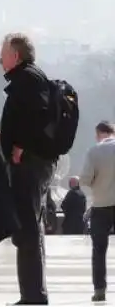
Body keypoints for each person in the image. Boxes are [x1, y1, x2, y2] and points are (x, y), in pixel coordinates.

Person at [0, 33, 57, 305]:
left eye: (3, 53)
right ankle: (33, 293)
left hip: (30, 164)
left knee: (28, 229)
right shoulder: (29, 78)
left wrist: (21, 144)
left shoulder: (28, 79)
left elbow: (41, 115)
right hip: (33, 161)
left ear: (15, 55)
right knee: (31, 227)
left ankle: (33, 295)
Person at [79, 121, 115, 302]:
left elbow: (84, 181)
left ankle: (100, 290)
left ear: (100, 133)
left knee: (99, 250)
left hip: (101, 206)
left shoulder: (94, 152)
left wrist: (91, 197)